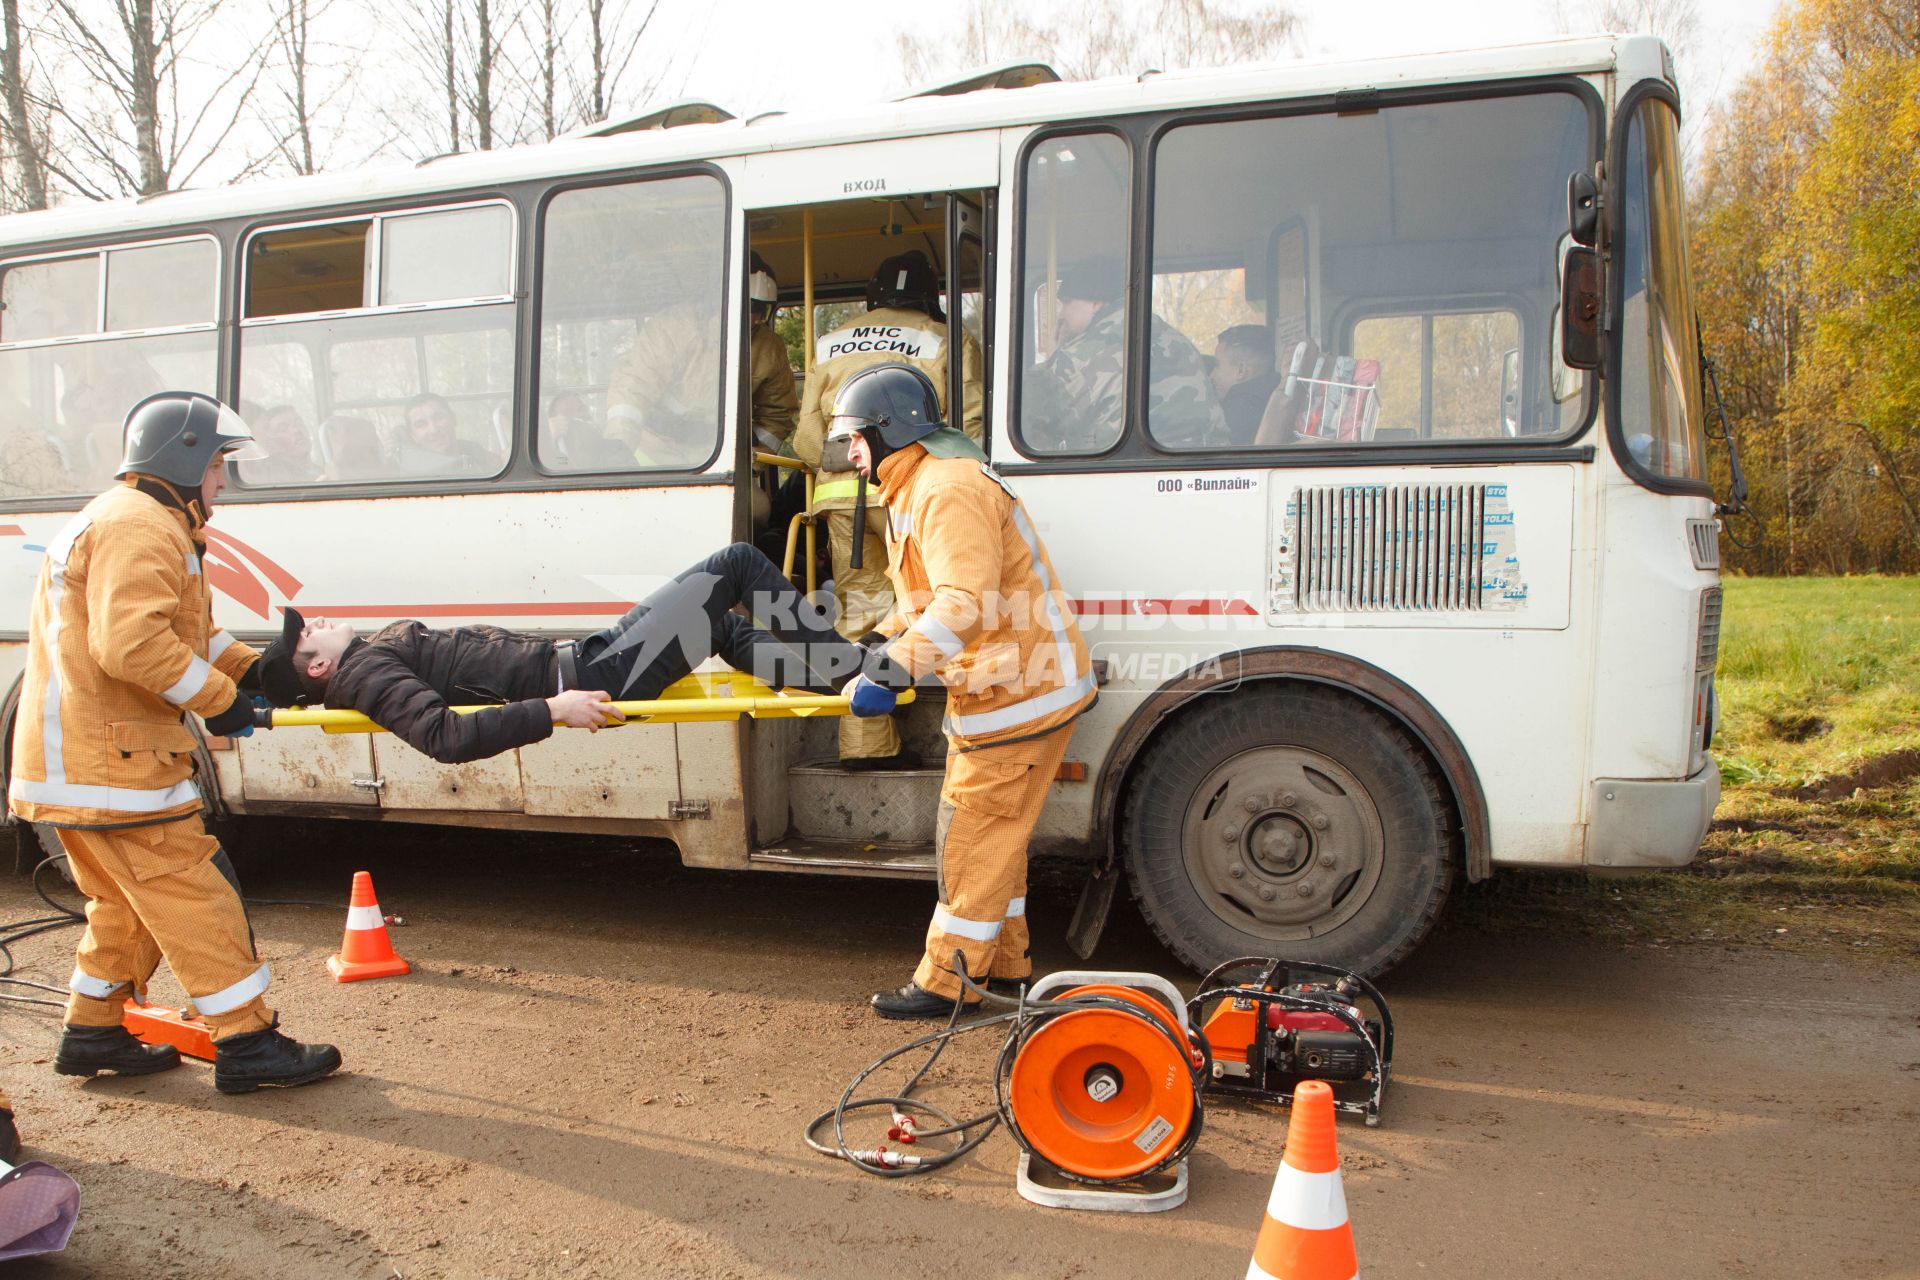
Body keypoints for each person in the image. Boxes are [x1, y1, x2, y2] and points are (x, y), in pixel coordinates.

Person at [6, 392, 342, 1094]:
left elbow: (185, 635)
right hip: (114, 766)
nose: (223, 480)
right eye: (220, 464)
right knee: (198, 895)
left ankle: (94, 1029)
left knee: (126, 907)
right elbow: (131, 644)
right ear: (186, 458)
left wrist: (255, 670)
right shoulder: (142, 527)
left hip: (79, 767)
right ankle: (247, 1040)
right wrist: (223, 705)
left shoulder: (138, 520)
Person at [822, 364, 1096, 1020]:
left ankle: (950, 982)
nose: (850, 452)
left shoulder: (943, 489)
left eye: (856, 438)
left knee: (971, 840)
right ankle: (1002, 966)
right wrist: (877, 646)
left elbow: (964, 603)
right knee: (995, 838)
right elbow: (926, 600)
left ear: (891, 430)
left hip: (1017, 696)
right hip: (1013, 690)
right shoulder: (920, 484)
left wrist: (893, 672)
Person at [256, 544, 872, 766]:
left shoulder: (367, 657)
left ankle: (838, 685)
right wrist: (553, 709)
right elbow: (444, 739)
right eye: (309, 634)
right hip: (594, 673)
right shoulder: (368, 674)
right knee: (733, 565)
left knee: (721, 630)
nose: (317, 621)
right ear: (318, 668)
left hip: (592, 657)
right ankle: (849, 668)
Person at [791, 250, 983, 769]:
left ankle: (864, 745)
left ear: (873, 296)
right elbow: (972, 424)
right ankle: (956, 737)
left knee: (860, 612)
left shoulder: (830, 344)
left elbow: (808, 439)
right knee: (927, 603)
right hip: (912, 490)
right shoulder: (948, 338)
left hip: (840, 500)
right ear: (930, 297)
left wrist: (841, 468)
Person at [1024, 258, 1227, 452]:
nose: (1062, 314)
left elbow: (1032, 427)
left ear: (1095, 302)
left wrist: (1054, 358)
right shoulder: (1176, 340)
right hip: (1209, 468)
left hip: (1127, 475)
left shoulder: (1078, 357)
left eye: (1067, 303)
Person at [605, 286, 721, 468]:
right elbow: (634, 386)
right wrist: (620, 443)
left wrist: (754, 459)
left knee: (757, 498)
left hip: (719, 454)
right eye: (753, 308)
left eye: (763, 311)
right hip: (654, 447)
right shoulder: (673, 327)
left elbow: (773, 417)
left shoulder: (769, 351)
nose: (755, 318)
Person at [394, 393, 495, 476]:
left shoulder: (483, 459)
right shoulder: (408, 476)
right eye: (421, 425)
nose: (433, 430)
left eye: (438, 418)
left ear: (453, 418)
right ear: (412, 435)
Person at [1212, 325, 1282, 444]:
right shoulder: (1278, 394)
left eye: (1217, 365)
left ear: (1241, 371)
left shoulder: (1237, 410)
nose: (1212, 375)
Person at [242, 405, 324, 484]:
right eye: (283, 428)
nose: (296, 430)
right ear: (272, 440)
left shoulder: (326, 472)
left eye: (298, 422)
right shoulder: (273, 479)